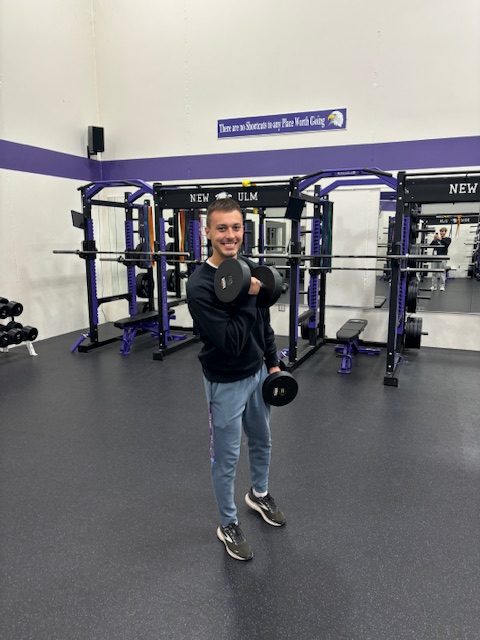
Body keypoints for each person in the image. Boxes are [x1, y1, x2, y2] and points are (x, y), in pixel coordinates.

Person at [186, 197, 286, 561]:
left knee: (263, 440)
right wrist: (249, 293)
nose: (230, 235)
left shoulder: (248, 268)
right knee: (226, 459)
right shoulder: (199, 285)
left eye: (236, 227)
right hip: (225, 380)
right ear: (208, 231)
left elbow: (262, 322)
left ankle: (258, 495)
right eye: (222, 228)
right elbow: (229, 341)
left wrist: (273, 363)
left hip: (258, 373)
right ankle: (227, 522)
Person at [430, 227, 451, 291]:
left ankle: (442, 286)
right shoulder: (437, 240)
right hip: (435, 257)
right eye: (441, 231)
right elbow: (431, 245)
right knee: (434, 272)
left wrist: (440, 239)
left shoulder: (448, 239)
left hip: (443, 257)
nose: (442, 232)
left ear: (445, 232)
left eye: (443, 231)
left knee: (442, 272)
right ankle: (434, 286)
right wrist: (434, 240)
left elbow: (446, 244)